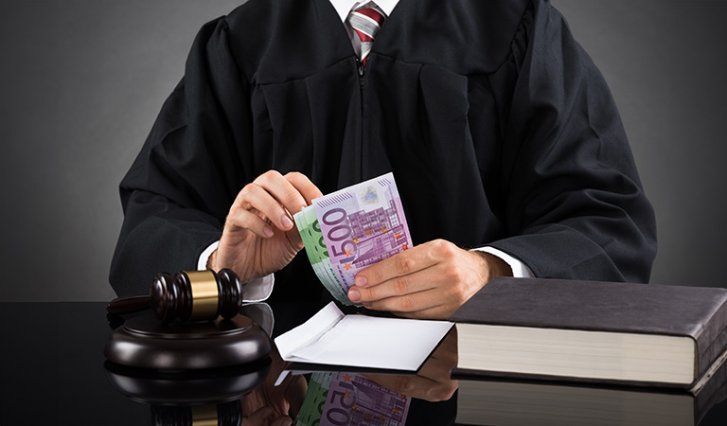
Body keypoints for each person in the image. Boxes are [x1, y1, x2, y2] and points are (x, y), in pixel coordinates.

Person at [110, 0, 656, 319]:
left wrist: (491, 273)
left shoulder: (516, 26)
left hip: (471, 388)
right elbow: (154, 215)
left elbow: (607, 221)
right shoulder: (241, 43)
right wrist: (223, 271)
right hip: (280, 399)